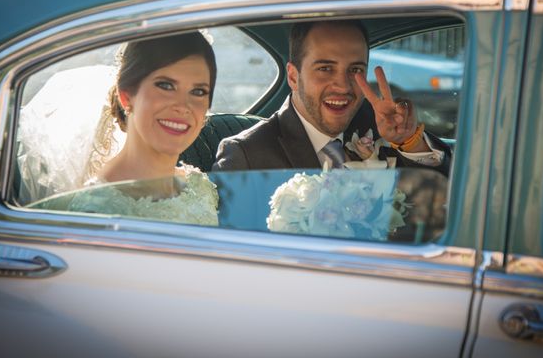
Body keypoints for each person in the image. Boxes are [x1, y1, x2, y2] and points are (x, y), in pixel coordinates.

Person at [30, 32, 220, 226]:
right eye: (166, 85)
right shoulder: (97, 209)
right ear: (127, 96)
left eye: (198, 92)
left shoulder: (199, 186)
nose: (183, 106)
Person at [213, 20, 451, 174]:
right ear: (294, 77)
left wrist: (410, 141)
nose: (343, 85)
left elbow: (448, 200)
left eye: (356, 69)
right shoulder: (246, 155)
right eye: (325, 68)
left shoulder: (384, 129)